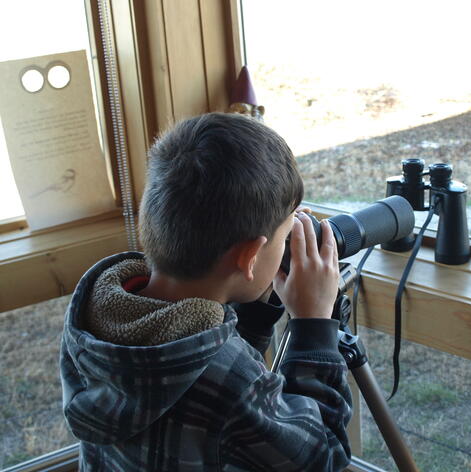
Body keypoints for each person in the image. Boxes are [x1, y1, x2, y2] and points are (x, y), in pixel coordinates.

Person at [59, 112, 352, 471]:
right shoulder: (231, 382)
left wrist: (257, 313)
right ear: (248, 256)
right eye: (285, 235)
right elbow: (320, 457)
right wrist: (314, 327)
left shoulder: (94, 315)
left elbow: (197, 363)